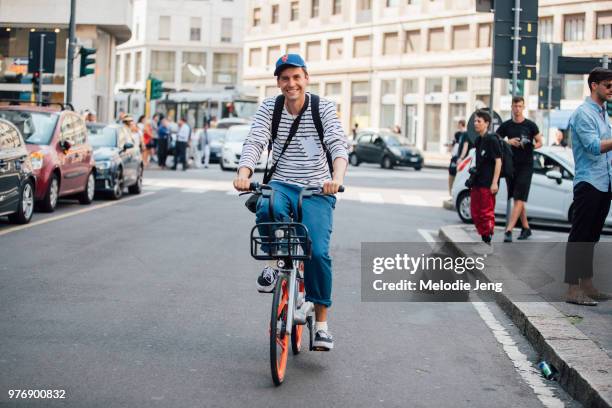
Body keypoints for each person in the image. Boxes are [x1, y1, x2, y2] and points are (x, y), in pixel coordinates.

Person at [233, 54, 348, 351]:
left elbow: (337, 144)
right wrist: (244, 172)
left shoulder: (322, 107)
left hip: (317, 188)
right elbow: (255, 141)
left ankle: (321, 325)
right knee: (267, 207)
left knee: (318, 252)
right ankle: (276, 264)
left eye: (296, 77)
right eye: (285, 78)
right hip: (282, 182)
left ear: (306, 78)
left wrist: (335, 177)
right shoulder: (270, 108)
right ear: (278, 82)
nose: (291, 83)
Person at [564, 67, 612, 306]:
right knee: (580, 236)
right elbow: (594, 146)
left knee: (592, 236)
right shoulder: (584, 114)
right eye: (608, 85)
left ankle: (588, 285)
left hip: (604, 182)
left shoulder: (603, 112)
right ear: (594, 85)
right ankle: (573, 290)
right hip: (588, 182)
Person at [497, 96, 543, 242]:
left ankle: (509, 230)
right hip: (511, 166)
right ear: (511, 107)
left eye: (520, 106)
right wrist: (508, 141)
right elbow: (495, 140)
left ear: (523, 107)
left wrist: (530, 145)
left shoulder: (530, 125)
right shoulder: (506, 125)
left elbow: (540, 142)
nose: (517, 109)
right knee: (518, 197)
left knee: (519, 197)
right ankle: (526, 228)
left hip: (526, 166)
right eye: (515, 106)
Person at [469, 110, 502, 244]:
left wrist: (495, 183)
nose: (476, 123)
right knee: (475, 212)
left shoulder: (492, 140)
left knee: (486, 213)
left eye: (479, 121)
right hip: (477, 182)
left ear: (487, 123)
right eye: (475, 121)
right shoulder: (478, 140)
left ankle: (487, 239)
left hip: (487, 184)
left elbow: (498, 161)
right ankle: (484, 237)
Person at [448, 119, 467, 195]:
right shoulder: (457, 134)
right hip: (455, 157)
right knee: (451, 174)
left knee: (457, 175)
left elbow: (465, 147)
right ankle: (451, 192)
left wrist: (461, 158)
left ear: (461, 124)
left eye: (459, 124)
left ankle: (454, 193)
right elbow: (454, 143)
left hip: (460, 158)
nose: (457, 126)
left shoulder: (466, 134)